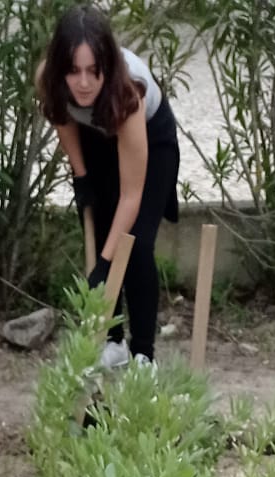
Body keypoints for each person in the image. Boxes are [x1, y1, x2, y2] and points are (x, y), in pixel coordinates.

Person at [37, 6, 180, 371]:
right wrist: (81, 175)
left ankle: (143, 352)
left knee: (135, 242)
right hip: (96, 136)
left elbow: (132, 196)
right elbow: (62, 117)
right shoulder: (48, 78)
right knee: (102, 225)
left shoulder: (128, 91)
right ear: (60, 68)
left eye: (92, 71)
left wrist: (103, 265)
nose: (83, 82)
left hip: (150, 140)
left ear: (107, 67)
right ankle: (111, 342)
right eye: (74, 71)